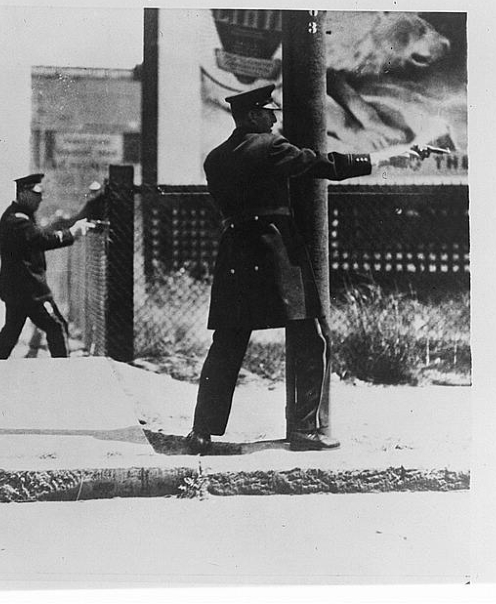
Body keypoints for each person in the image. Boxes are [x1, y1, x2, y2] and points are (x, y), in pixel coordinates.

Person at [185, 84, 436, 455]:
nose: (274, 118)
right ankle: (305, 430)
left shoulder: (215, 158)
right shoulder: (270, 148)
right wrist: (392, 156)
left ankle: (201, 432)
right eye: (268, 113)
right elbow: (327, 166)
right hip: (275, 253)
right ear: (252, 116)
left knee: (226, 344)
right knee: (310, 336)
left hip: (235, 253)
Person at [0, 174, 93, 359]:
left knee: (10, 334)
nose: (41, 198)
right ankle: (64, 373)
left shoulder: (18, 216)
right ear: (24, 193)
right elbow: (40, 239)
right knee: (57, 327)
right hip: (30, 291)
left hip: (19, 289)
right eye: (37, 193)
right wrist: (72, 234)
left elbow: (39, 234)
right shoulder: (17, 220)